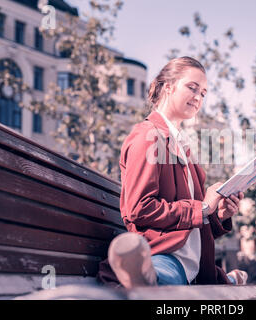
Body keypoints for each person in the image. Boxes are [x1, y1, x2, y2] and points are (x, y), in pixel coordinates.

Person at [97, 56, 247, 288]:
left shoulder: (181, 147)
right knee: (164, 280)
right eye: (192, 88)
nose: (198, 98)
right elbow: (138, 209)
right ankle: (142, 280)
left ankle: (225, 278)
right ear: (168, 87)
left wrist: (219, 215)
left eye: (203, 93)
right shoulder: (147, 136)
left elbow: (191, 226)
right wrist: (203, 207)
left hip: (194, 266)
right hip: (165, 258)